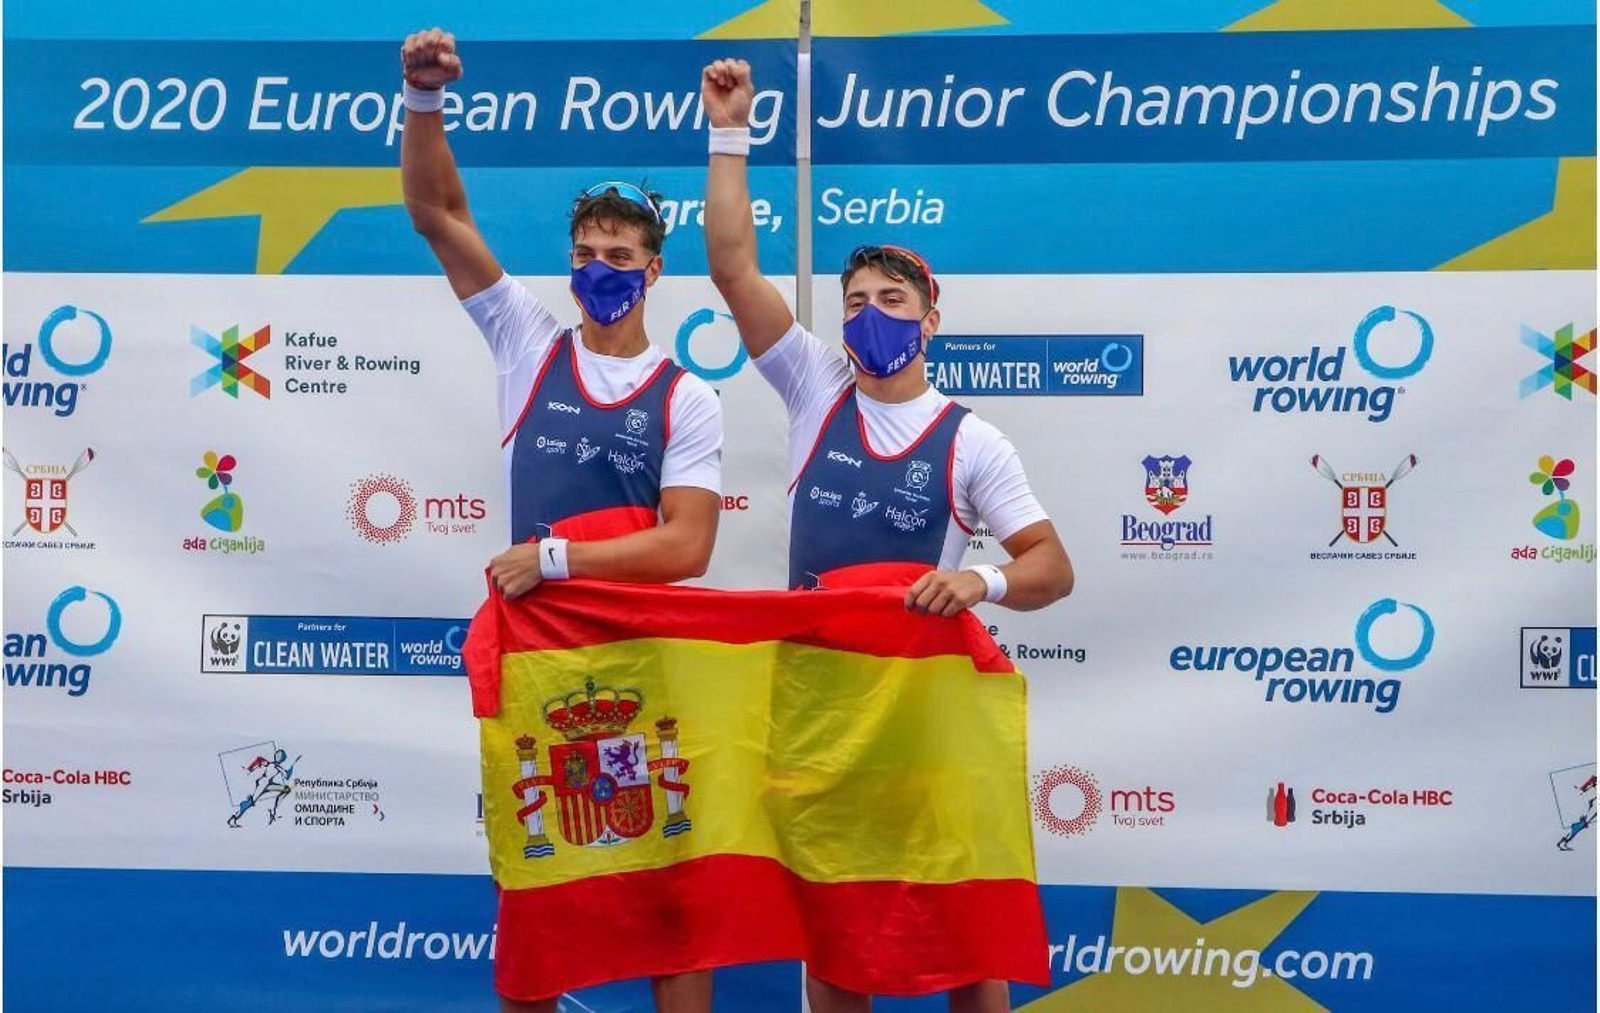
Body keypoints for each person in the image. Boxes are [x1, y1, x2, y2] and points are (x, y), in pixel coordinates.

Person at [701, 57, 1074, 1012]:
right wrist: (730, 133)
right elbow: (734, 267)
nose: (870, 317)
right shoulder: (815, 388)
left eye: (892, 302)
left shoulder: (971, 437)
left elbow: (1051, 567)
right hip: (818, 706)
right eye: (856, 302)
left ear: (931, 322)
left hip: (919, 714)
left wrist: (980, 583)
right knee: (833, 924)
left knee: (959, 922)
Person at [401, 27, 722, 1013]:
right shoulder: (527, 341)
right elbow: (436, 210)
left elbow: (688, 545)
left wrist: (554, 554)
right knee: (534, 888)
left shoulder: (687, 394)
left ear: (655, 267)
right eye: (584, 254)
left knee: (674, 898)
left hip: (641, 664)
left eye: (617, 255)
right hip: (542, 662)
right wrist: (420, 98)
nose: (597, 268)